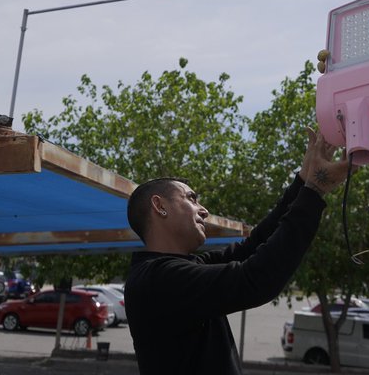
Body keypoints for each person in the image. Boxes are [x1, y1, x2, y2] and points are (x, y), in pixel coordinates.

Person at [124, 129, 351, 374]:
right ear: (159, 206)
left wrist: (304, 180)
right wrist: (315, 191)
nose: (204, 210)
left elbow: (253, 246)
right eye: (191, 198)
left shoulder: (179, 269)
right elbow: (255, 279)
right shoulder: (158, 280)